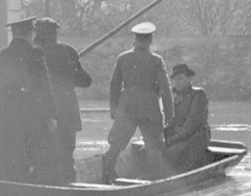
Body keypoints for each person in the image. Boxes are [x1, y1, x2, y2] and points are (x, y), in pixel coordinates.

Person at [0, 17, 61, 184]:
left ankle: (3, 190)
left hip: (5, 118)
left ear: (13, 33)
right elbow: (44, 87)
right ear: (30, 33)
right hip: (30, 118)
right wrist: (51, 115)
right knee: (32, 158)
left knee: (6, 159)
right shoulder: (35, 53)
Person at [102, 21, 173, 182]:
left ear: (135, 40)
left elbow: (114, 84)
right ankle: (155, 178)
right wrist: (169, 113)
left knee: (117, 142)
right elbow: (165, 88)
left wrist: (113, 109)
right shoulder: (156, 60)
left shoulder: (123, 58)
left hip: (126, 105)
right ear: (150, 41)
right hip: (150, 106)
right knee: (154, 144)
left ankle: (107, 172)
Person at [34, 17, 92, 182]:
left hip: (43, 109)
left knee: (44, 153)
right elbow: (85, 81)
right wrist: (69, 73)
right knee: (67, 152)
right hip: (66, 108)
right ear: (55, 33)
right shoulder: (68, 51)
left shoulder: (34, 52)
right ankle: (69, 183)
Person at [163, 61, 211, 173]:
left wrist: (171, 141)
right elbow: (169, 121)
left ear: (189, 78)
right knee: (150, 148)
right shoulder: (174, 95)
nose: (177, 82)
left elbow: (193, 124)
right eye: (175, 79)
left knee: (171, 152)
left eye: (180, 79)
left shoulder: (198, 94)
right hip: (178, 134)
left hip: (196, 135)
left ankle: (171, 176)